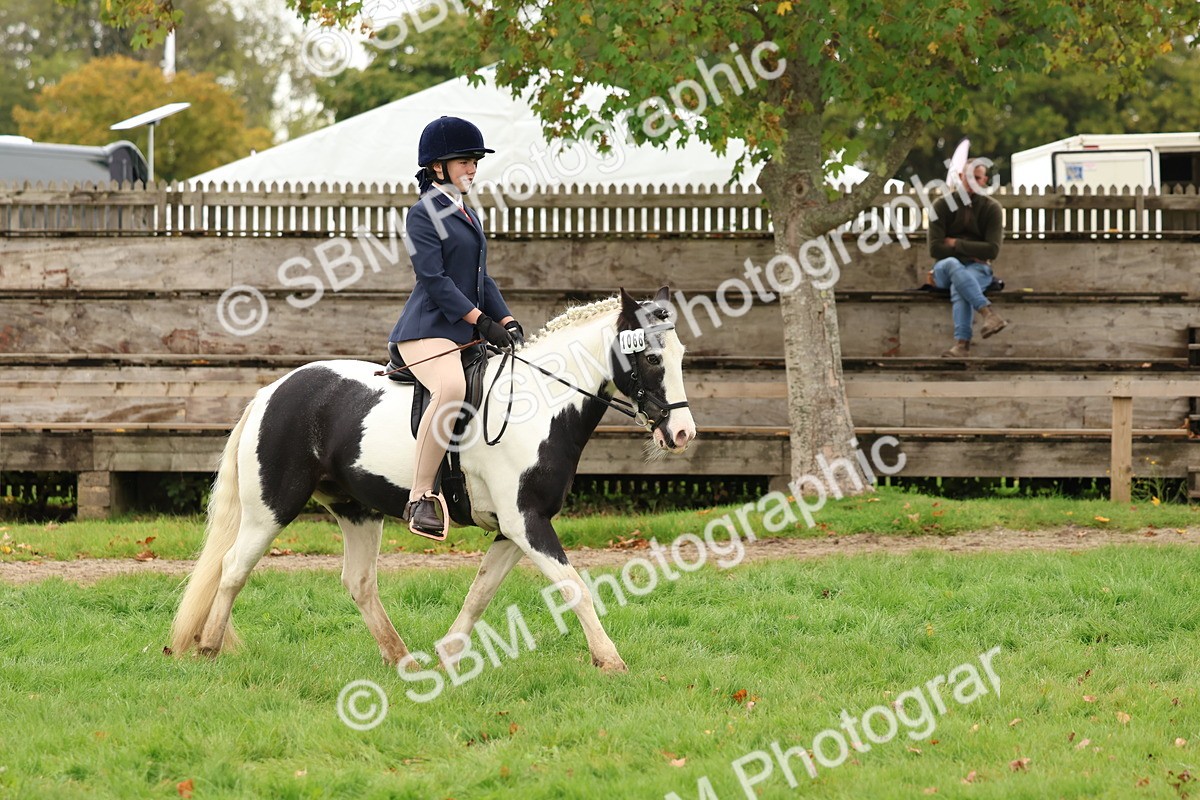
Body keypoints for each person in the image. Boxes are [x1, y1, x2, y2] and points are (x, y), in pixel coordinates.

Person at [389, 116, 524, 540]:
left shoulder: (465, 210)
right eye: (465, 161)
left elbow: (481, 278)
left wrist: (505, 319)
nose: (472, 168)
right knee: (451, 389)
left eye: (474, 162)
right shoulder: (421, 214)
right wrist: (479, 320)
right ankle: (420, 497)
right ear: (437, 167)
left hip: (464, 330)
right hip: (426, 330)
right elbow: (436, 281)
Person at [929, 161, 1007, 358]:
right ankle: (988, 314)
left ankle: (962, 345)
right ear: (960, 177)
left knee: (959, 287)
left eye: (978, 177)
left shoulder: (992, 208)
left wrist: (955, 243)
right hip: (944, 269)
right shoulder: (941, 205)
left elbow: (992, 250)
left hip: (978, 268)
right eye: (968, 177)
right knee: (952, 264)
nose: (972, 182)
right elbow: (935, 248)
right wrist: (971, 250)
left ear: (984, 181)